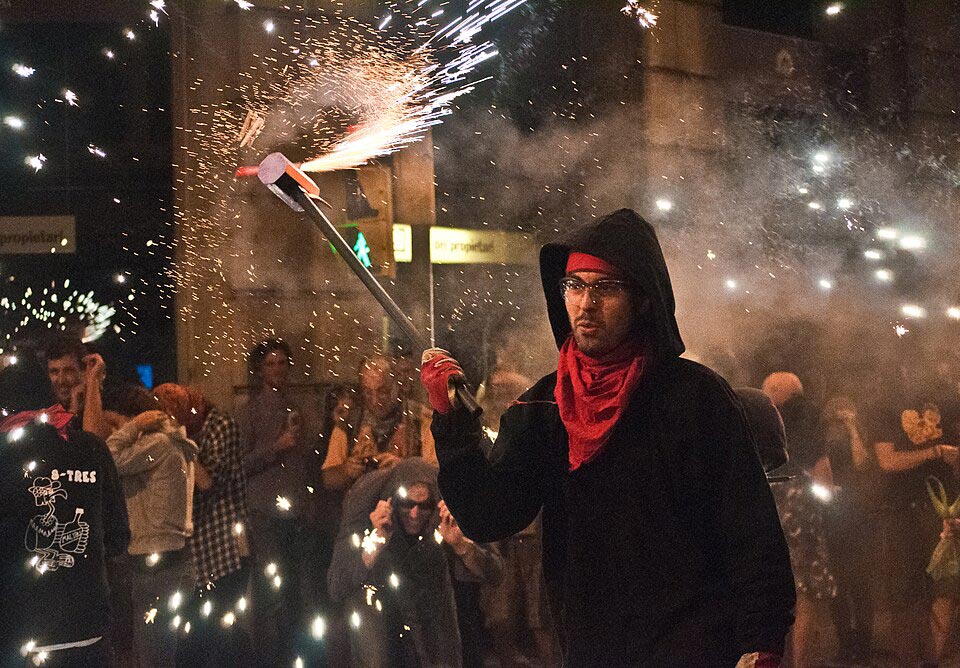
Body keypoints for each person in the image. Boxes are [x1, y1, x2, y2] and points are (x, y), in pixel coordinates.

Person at [422, 209, 796, 667]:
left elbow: (750, 530)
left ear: (643, 299)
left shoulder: (695, 397)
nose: (586, 303)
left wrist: (762, 641)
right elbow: (490, 514)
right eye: (574, 286)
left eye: (606, 288)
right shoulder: (544, 406)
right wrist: (452, 422)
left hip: (696, 645)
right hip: (593, 648)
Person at [328, 458, 501, 668]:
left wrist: (461, 545)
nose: (414, 514)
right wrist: (375, 542)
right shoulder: (365, 503)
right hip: (378, 602)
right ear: (393, 501)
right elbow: (337, 586)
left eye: (424, 506)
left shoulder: (447, 509)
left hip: (429, 596)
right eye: (407, 504)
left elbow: (496, 573)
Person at [0, 406, 130, 667]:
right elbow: (118, 537)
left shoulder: (6, 452)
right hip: (86, 626)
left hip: (20, 632)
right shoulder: (92, 448)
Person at [153, 383, 250, 667]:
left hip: (226, 549)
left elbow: (209, 483)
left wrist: (176, 438)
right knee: (200, 636)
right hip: (197, 554)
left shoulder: (220, 425)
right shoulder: (187, 433)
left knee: (220, 635)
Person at [105, 384, 198, 668]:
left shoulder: (156, 444)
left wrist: (131, 428)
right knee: (157, 654)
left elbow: (107, 460)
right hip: (166, 559)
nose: (113, 432)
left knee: (153, 657)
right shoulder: (167, 443)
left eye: (115, 424)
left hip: (156, 564)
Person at [240, 339, 311, 668]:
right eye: (271, 364)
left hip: (294, 513)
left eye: (282, 363)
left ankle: (292, 655)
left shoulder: (296, 408)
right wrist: (276, 447)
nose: (278, 369)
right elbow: (240, 464)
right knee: (271, 590)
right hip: (264, 514)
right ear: (260, 370)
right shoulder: (250, 411)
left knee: (295, 589)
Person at [874, 395, 960, 665]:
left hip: (944, 510)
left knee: (945, 587)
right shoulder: (887, 403)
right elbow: (887, 460)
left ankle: (935, 660)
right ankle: (909, 659)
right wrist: (935, 452)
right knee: (904, 591)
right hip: (902, 510)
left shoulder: (949, 399)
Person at [820, 397, 877, 665]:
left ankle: (864, 646)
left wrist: (853, 429)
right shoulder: (822, 437)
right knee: (839, 583)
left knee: (861, 582)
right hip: (832, 512)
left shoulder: (859, 434)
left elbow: (862, 462)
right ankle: (845, 644)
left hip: (858, 511)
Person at [321, 355, 412, 492]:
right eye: (368, 393)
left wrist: (405, 468)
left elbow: (436, 473)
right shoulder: (349, 423)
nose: (375, 401)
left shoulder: (419, 421)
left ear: (396, 386)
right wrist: (346, 470)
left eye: (383, 392)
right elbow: (328, 479)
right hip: (363, 502)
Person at [44, 338, 111, 439]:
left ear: (85, 372)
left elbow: (94, 441)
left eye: (69, 371)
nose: (61, 380)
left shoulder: (107, 405)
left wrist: (92, 381)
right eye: (54, 372)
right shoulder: (46, 409)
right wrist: (73, 409)